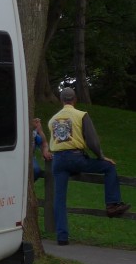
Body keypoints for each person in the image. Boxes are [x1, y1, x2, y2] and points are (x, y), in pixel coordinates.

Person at [47, 86, 130, 246]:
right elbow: (92, 141)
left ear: (61, 100)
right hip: (76, 158)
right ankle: (112, 204)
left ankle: (62, 237)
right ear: (75, 99)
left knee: (59, 198)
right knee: (109, 167)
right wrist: (101, 156)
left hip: (58, 160)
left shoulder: (52, 120)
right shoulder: (81, 115)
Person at [31, 117, 51, 181]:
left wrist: (40, 130)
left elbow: (44, 143)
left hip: (30, 157)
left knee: (36, 170)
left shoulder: (34, 133)